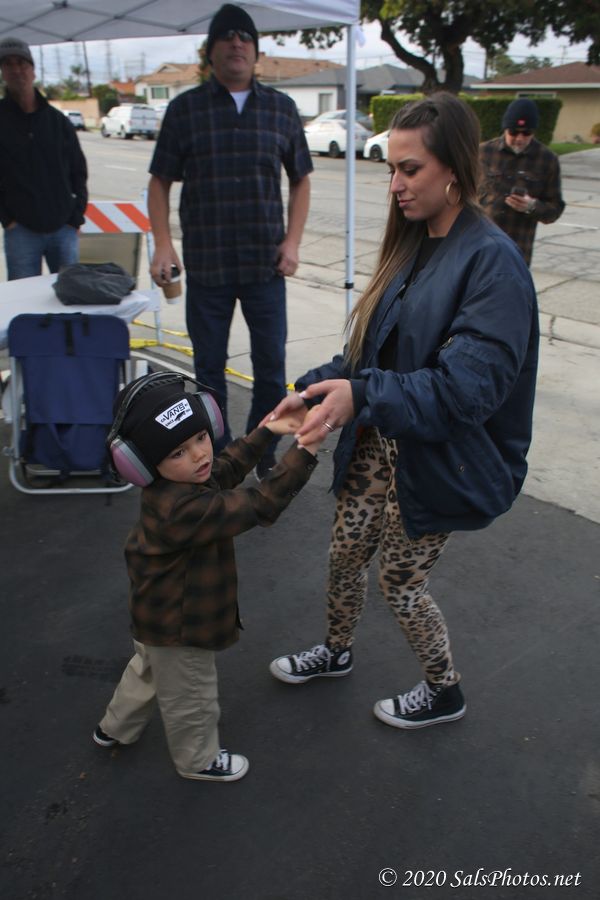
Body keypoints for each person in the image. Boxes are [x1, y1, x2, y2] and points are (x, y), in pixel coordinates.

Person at [265, 93, 539, 730]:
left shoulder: (493, 264)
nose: (395, 186)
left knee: (399, 581)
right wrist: (313, 390)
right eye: (392, 169)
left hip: (442, 454)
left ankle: (444, 690)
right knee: (343, 555)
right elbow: (369, 354)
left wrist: (363, 396)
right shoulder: (413, 244)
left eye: (409, 169)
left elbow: (464, 393)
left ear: (455, 169)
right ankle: (336, 651)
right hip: (382, 438)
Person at [93, 371, 324, 781]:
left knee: (147, 668)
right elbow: (260, 503)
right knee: (192, 696)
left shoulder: (182, 481)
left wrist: (269, 429)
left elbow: (228, 465)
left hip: (154, 615)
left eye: (201, 437)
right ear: (142, 466)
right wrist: (304, 450)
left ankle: (115, 727)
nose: (200, 455)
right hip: (182, 625)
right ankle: (197, 759)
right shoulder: (180, 509)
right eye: (178, 452)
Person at [147, 3, 313, 477]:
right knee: (208, 374)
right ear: (210, 51)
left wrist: (293, 243)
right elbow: (159, 181)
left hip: (265, 267)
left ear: (256, 52)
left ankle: (261, 452)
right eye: (227, 35)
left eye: (245, 36)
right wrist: (163, 244)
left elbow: (301, 179)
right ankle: (216, 459)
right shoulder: (186, 110)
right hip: (208, 267)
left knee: (270, 369)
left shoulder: (280, 109)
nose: (237, 42)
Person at [0, 37, 88, 280]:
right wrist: (7, 219)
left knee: (70, 295)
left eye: (21, 63)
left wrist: (75, 217)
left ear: (33, 70)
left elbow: (78, 172)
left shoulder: (57, 122)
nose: (16, 70)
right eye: (8, 64)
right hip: (20, 231)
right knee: (23, 298)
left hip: (63, 228)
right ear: (3, 72)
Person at [479, 98, 565, 267]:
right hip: (480, 245)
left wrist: (531, 206)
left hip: (517, 250)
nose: (519, 138)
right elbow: (462, 194)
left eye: (526, 133)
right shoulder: (482, 153)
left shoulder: (547, 160)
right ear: (505, 129)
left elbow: (555, 209)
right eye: (513, 132)